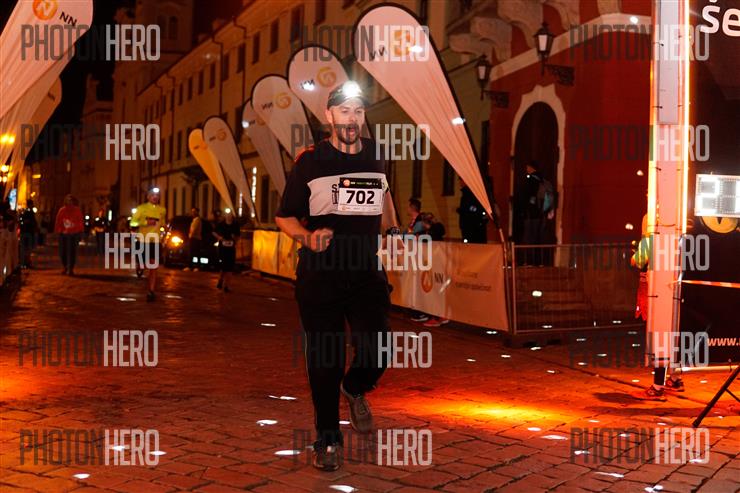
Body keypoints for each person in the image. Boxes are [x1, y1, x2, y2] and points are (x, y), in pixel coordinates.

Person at [275, 81, 397, 471]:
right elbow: (284, 216)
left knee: (379, 348)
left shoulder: (377, 154)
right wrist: (307, 237)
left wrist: (393, 228)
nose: (352, 119)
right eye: (344, 111)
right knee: (325, 359)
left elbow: (384, 195)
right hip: (321, 274)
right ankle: (327, 439)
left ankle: (355, 386)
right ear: (329, 115)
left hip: (365, 271)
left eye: (358, 111)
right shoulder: (310, 161)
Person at [630, 214, 684, 401]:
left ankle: (658, 386)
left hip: (657, 290)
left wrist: (634, 256)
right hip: (676, 288)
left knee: (659, 334)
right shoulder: (679, 229)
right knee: (675, 332)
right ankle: (675, 379)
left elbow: (639, 259)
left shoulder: (652, 232)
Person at [130, 188, 167, 301]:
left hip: (155, 241)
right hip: (143, 240)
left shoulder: (162, 210)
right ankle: (140, 266)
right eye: (152, 195)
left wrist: (164, 228)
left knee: (153, 266)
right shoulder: (141, 208)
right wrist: (146, 222)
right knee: (144, 265)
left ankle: (151, 291)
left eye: (157, 195)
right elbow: (133, 222)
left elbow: (162, 223)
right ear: (148, 197)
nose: (155, 197)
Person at [419, 212, 450, 328]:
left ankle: (435, 317)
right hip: (438, 266)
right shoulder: (436, 232)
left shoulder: (432, 233)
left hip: (434, 266)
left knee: (434, 291)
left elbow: (425, 240)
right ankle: (441, 315)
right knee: (439, 291)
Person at [54, 195, 84, 275]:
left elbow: (80, 221)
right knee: (63, 251)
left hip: (74, 234)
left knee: (72, 252)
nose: (69, 202)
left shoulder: (77, 210)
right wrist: (58, 231)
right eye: (68, 200)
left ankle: (70, 268)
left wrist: (80, 231)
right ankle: (65, 266)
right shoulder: (62, 210)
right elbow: (58, 221)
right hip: (63, 234)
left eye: (71, 200)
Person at [213, 210, 240, 292]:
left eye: (230, 215)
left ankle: (227, 286)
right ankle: (220, 280)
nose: (228, 216)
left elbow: (238, 236)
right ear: (225, 216)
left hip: (231, 249)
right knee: (223, 267)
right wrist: (219, 238)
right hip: (222, 249)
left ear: (232, 216)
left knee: (230, 267)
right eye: (227, 215)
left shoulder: (235, 225)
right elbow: (213, 232)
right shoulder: (221, 224)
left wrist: (235, 239)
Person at [457, 179, 488, 244]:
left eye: (461, 180)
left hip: (471, 226)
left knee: (470, 244)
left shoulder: (469, 194)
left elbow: (471, 207)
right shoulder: (466, 193)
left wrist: (462, 210)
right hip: (471, 226)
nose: (459, 183)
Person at [18, 200, 38, 268]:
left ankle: (24, 262)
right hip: (28, 233)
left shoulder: (24, 212)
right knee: (27, 248)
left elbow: (21, 221)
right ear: (30, 204)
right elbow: (33, 222)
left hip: (24, 232)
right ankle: (26, 262)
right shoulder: (30, 213)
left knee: (24, 248)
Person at [184, 207, 202, 272]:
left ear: (197, 212)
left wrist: (190, 235)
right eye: (192, 211)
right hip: (194, 238)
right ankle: (192, 266)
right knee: (193, 252)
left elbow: (194, 229)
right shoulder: (194, 220)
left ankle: (194, 266)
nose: (192, 213)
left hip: (195, 238)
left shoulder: (197, 220)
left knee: (194, 253)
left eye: (194, 211)